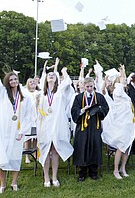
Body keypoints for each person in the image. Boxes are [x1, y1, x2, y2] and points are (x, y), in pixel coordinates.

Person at [37, 59, 74, 187]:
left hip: (58, 125)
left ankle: (54, 177)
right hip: (45, 126)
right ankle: (46, 177)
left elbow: (68, 82)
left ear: (57, 78)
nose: (51, 75)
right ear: (45, 79)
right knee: (45, 150)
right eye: (49, 75)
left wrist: (63, 71)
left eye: (53, 74)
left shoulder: (60, 91)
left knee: (55, 149)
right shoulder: (41, 94)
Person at [101, 65, 135, 179]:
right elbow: (121, 85)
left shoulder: (123, 93)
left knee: (127, 146)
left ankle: (123, 168)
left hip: (128, 123)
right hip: (121, 123)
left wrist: (123, 72)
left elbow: (124, 83)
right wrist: (121, 75)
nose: (124, 80)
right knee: (121, 146)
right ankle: (116, 170)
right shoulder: (117, 92)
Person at [71, 77, 109, 182]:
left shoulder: (99, 97)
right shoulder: (78, 98)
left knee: (94, 146)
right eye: (87, 86)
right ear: (83, 86)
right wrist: (82, 110)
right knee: (82, 147)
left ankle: (93, 172)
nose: (89, 89)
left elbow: (106, 108)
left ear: (94, 85)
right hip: (83, 126)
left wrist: (99, 110)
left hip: (95, 126)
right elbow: (74, 111)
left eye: (91, 86)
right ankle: (82, 172)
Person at [0, 72, 33, 193]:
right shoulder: (3, 94)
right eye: (11, 80)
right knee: (1, 158)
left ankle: (14, 182)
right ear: (7, 82)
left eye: (15, 79)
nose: (13, 81)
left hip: (17, 132)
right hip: (4, 130)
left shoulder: (25, 96)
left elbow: (28, 116)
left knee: (15, 157)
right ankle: (2, 184)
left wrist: (22, 131)